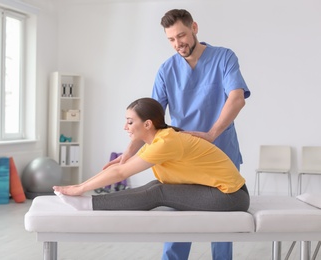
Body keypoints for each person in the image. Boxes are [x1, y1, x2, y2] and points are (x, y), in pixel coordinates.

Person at [105, 9, 251, 260]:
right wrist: (128, 153)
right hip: (181, 156)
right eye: (171, 39)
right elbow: (149, 118)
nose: (177, 44)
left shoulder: (224, 57)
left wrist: (211, 134)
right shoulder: (166, 70)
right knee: (177, 225)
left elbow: (236, 99)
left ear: (194, 27)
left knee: (223, 225)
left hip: (220, 150)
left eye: (181, 35)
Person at [53, 97, 250, 216]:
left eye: (130, 122)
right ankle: (87, 201)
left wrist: (79, 189)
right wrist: (80, 187)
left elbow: (121, 173)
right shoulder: (159, 140)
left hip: (231, 197)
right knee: (155, 186)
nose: (125, 127)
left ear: (147, 124)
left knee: (159, 192)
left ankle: (88, 205)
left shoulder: (164, 143)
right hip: (227, 192)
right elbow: (120, 168)